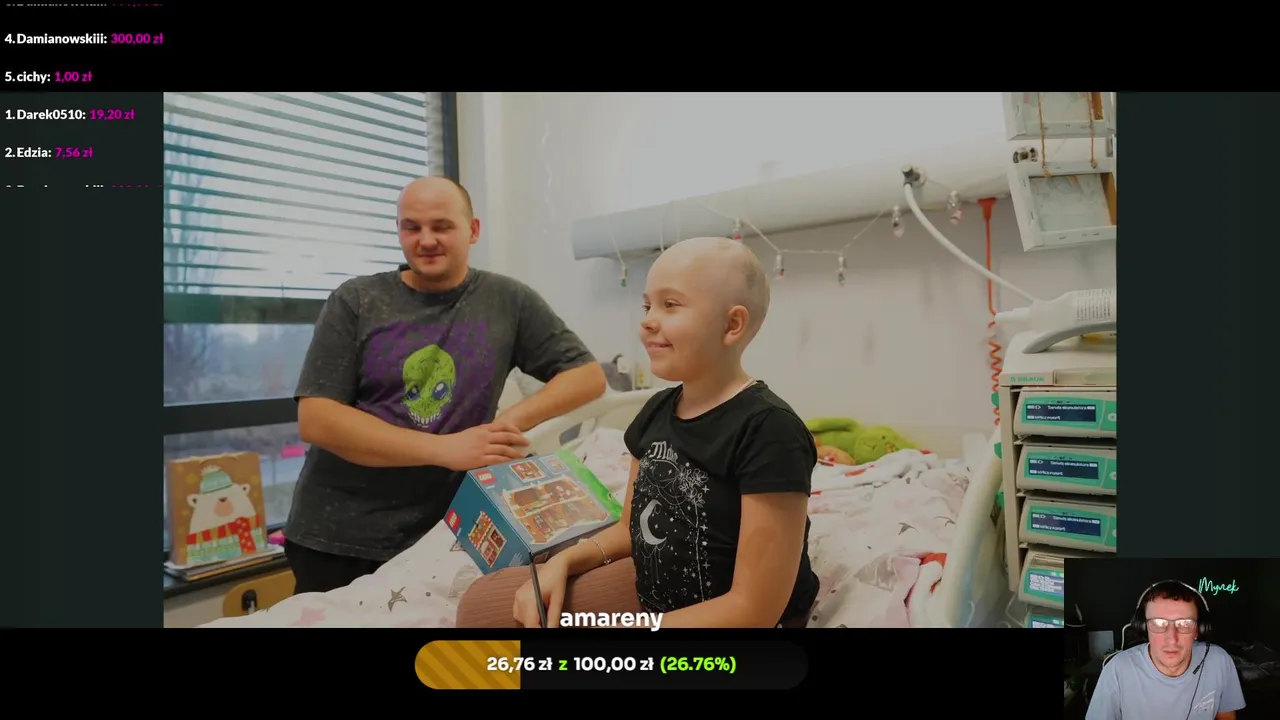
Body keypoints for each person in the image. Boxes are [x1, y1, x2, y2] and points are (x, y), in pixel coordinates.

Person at [456, 236, 820, 628]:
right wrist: (564, 561)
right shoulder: (656, 413)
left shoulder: (769, 431)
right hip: (656, 594)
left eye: (670, 304)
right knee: (479, 608)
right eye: (647, 305)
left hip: (728, 620)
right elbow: (630, 530)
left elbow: (754, 611)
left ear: (732, 324)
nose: (647, 320)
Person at [284, 176, 607, 595]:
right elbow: (317, 419)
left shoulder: (507, 301)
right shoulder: (356, 300)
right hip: (339, 534)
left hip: (441, 536)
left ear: (473, 230)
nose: (426, 240)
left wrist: (508, 422)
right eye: (411, 227)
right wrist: (445, 449)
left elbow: (586, 376)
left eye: (441, 226)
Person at [1087, 580, 1245, 720]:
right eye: (1158, 623)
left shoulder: (1219, 661)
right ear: (1144, 628)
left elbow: (1226, 717)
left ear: (1199, 630)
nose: (1172, 639)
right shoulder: (1116, 669)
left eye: (1185, 624)